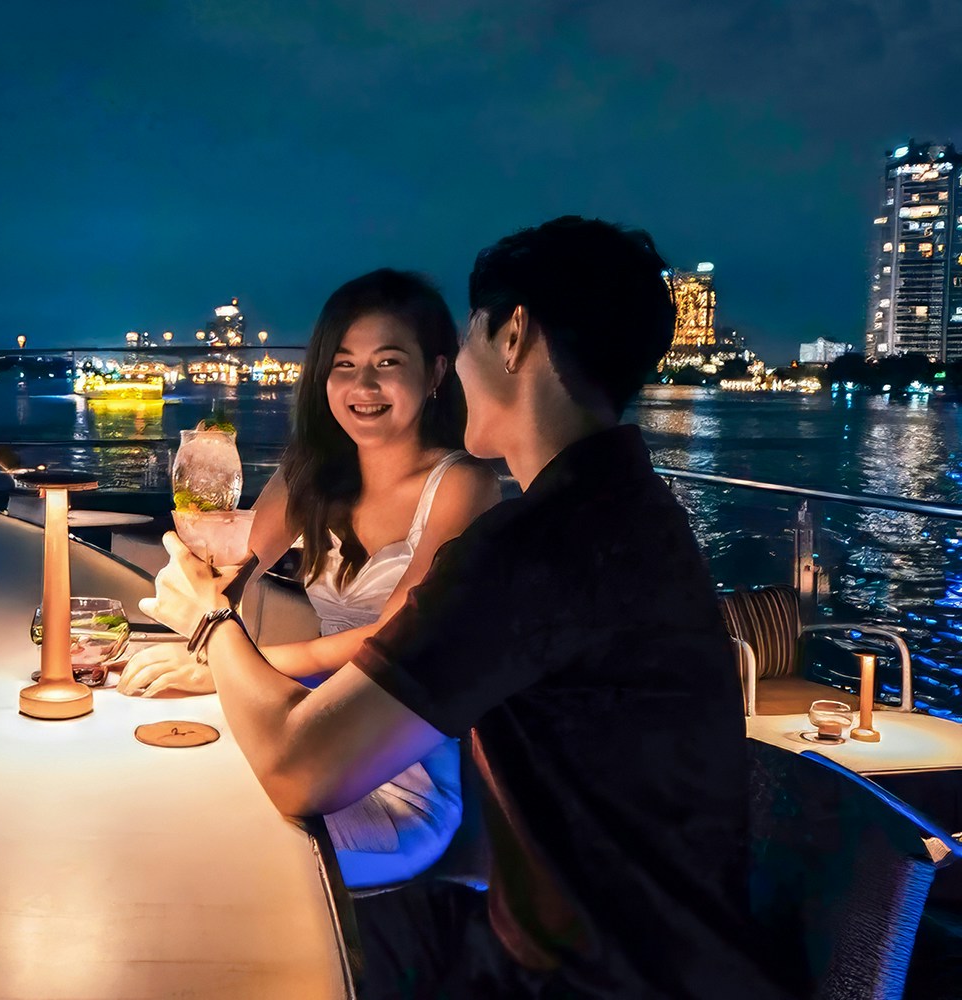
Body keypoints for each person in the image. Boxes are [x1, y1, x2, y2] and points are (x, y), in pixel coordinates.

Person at [141, 217, 785, 998]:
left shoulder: (544, 546)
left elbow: (299, 766)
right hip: (618, 948)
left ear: (512, 336)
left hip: (606, 978)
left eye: (469, 332)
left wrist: (211, 623)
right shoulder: (618, 511)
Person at [118, 269, 500, 891]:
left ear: (435, 374)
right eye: (343, 365)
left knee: (203, 843)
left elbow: (390, 637)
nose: (363, 385)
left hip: (399, 773)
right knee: (154, 791)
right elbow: (232, 572)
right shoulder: (313, 473)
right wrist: (201, 580)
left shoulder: (460, 485)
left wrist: (227, 659)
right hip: (302, 724)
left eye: (387, 361)